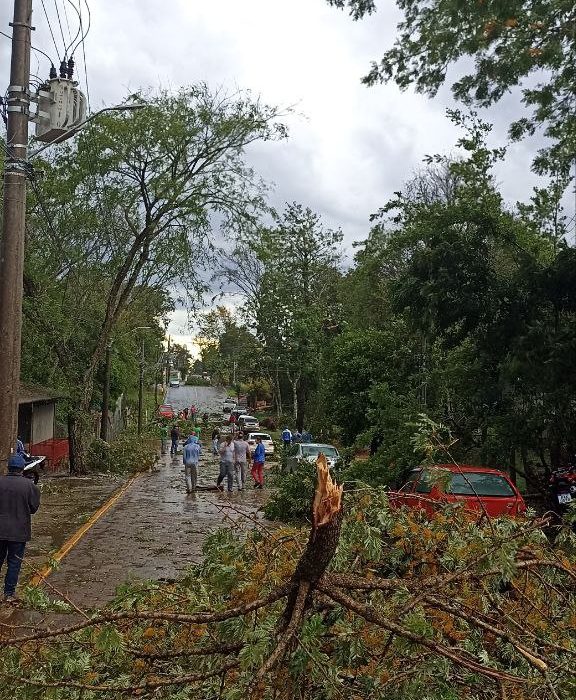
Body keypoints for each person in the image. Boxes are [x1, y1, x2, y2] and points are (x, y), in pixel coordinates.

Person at [0, 454, 41, 602]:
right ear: (22, 468)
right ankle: (9, 594)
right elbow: (33, 508)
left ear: (8, 467)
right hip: (18, 532)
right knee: (14, 562)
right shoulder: (29, 486)